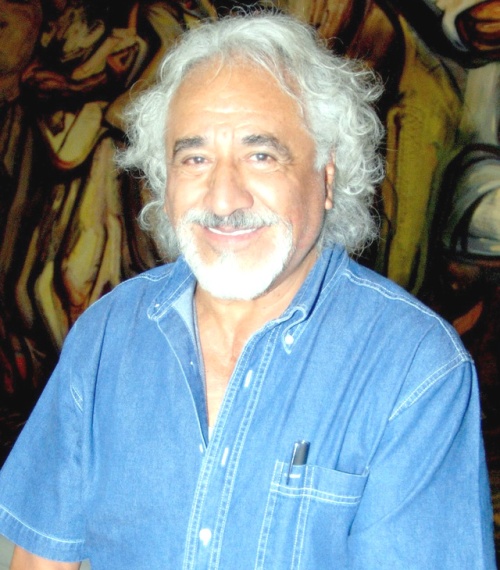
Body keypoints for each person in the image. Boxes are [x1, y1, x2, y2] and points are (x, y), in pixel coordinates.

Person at [0, 11, 496, 569]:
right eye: (195, 158)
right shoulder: (105, 335)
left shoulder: (414, 368)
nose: (223, 198)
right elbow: (41, 559)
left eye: (261, 156)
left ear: (326, 176)